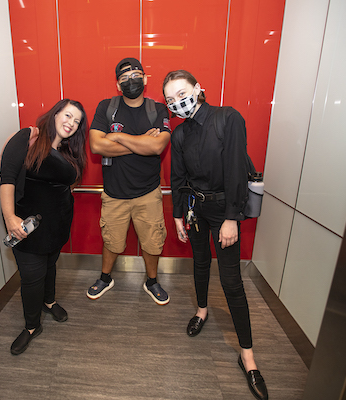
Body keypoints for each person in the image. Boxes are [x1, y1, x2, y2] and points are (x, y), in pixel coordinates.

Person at [163, 70, 268, 400]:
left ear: (197, 89)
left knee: (232, 281)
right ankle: (202, 310)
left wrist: (232, 218)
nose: (177, 102)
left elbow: (237, 168)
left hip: (225, 210)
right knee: (199, 261)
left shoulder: (228, 118)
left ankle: (247, 355)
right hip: (195, 208)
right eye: (170, 99)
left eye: (181, 93)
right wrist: (178, 215)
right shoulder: (179, 136)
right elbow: (178, 178)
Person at [0, 99, 88, 355]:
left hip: (57, 225)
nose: (71, 123)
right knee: (31, 278)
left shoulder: (69, 152)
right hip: (27, 228)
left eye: (77, 121)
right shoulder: (28, 137)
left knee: (50, 266)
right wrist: (9, 217)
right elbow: (6, 178)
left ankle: (49, 302)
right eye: (68, 115)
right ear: (55, 113)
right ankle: (31, 326)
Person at [87, 57, 172, 305]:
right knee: (112, 240)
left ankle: (152, 281)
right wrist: (138, 141)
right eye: (124, 78)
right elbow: (95, 145)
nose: (130, 81)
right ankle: (105, 277)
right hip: (114, 193)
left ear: (145, 79)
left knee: (152, 241)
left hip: (148, 193)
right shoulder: (107, 107)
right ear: (117, 84)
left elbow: (157, 146)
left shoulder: (158, 109)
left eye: (135, 75)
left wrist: (116, 138)